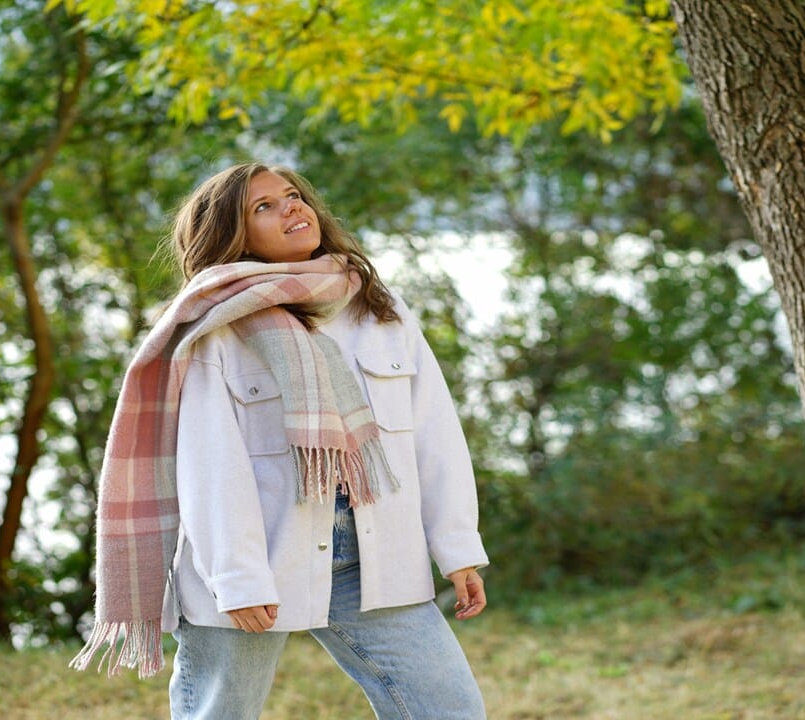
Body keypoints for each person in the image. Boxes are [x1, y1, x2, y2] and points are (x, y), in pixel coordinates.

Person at [71, 162, 490, 720]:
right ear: (231, 236)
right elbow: (208, 463)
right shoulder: (214, 325)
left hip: (377, 556)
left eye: (292, 196)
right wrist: (237, 579)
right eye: (263, 207)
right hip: (258, 562)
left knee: (450, 712)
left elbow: (433, 431)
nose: (292, 207)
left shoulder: (374, 307)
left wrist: (457, 547)